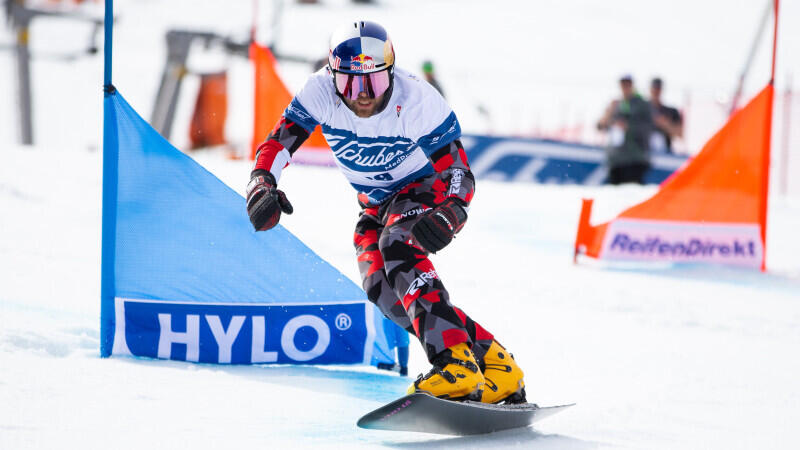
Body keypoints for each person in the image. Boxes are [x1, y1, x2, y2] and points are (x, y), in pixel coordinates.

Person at [246, 21, 526, 404]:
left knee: (398, 245)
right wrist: (261, 184)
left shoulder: (416, 100)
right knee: (384, 290)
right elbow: (278, 143)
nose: (363, 96)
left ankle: (454, 363)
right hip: (374, 204)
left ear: (392, 72)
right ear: (332, 75)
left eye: (374, 82)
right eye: (349, 84)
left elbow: (459, 172)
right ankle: (495, 363)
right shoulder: (319, 91)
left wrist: (452, 212)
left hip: (424, 187)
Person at [597, 74, 653, 184]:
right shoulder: (615, 104)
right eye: (623, 84)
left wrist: (628, 127)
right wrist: (609, 116)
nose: (625, 87)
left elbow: (649, 127)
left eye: (627, 84)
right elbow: (600, 126)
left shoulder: (642, 104)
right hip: (615, 160)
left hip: (635, 159)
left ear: (632, 85)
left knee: (632, 189)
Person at [648, 77, 683, 154]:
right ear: (650, 89)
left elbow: (680, 134)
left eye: (658, 89)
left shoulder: (671, 111)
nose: (656, 91)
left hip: (665, 153)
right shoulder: (641, 109)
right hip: (645, 152)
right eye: (654, 88)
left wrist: (665, 124)